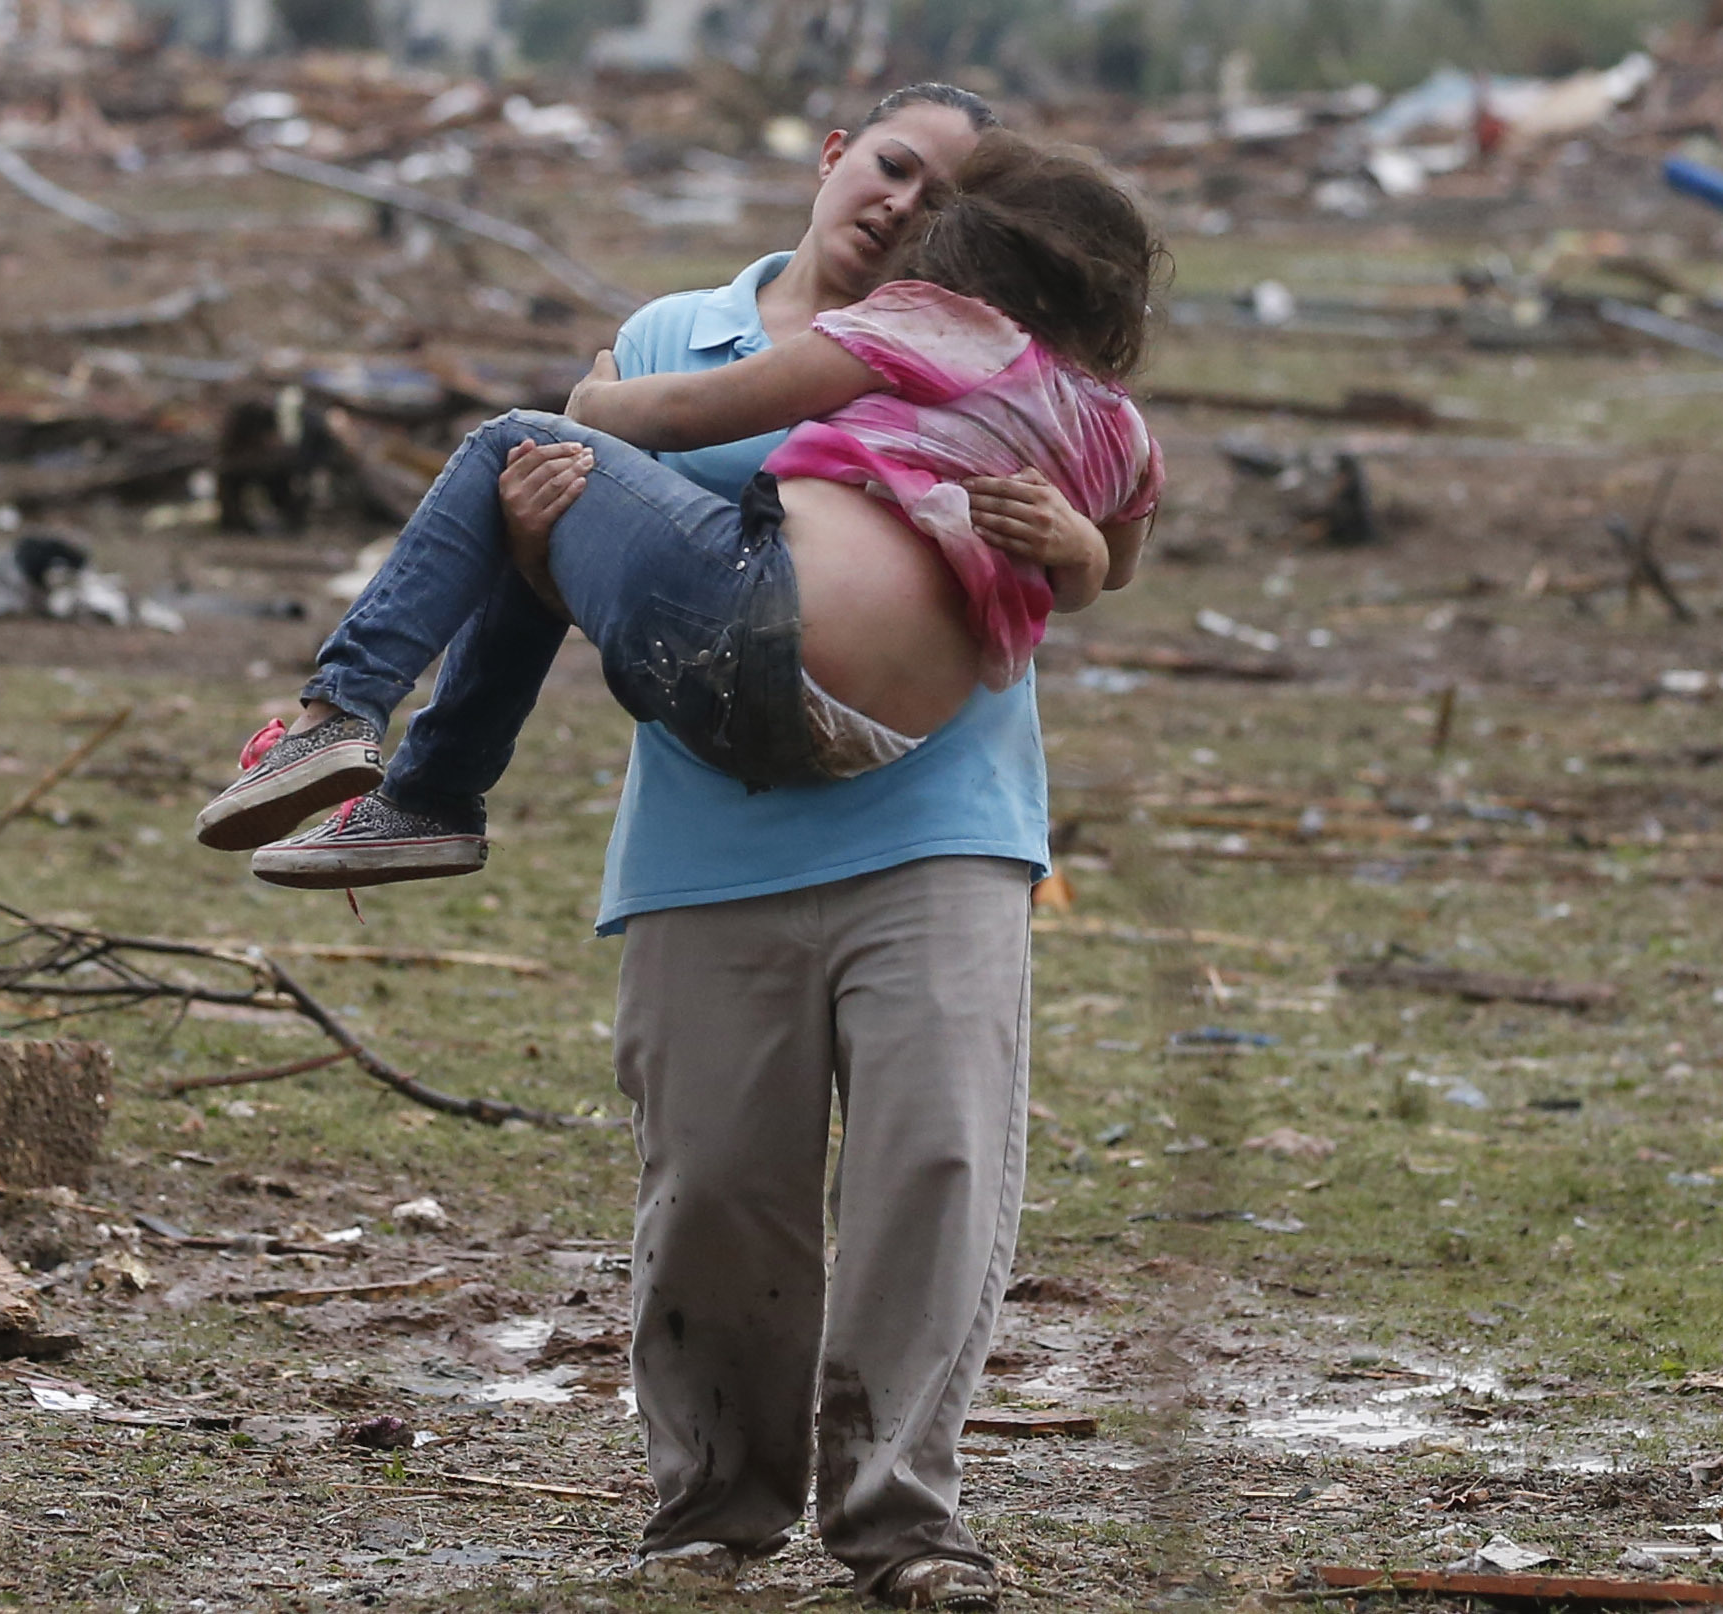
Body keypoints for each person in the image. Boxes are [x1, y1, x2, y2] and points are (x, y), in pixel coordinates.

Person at [244, 83, 1132, 1604]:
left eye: (950, 194)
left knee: (937, 1160)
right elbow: (595, 542)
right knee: (717, 1187)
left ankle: (904, 1518)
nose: (907, 203)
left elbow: (1108, 538)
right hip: (710, 840)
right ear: (832, 147)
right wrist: (534, 530)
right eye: (894, 163)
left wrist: (1081, 540)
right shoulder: (673, 338)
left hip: (944, 827)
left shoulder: (1012, 363)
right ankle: (717, 1507)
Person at [192, 127, 1161, 868]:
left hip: (760, 630)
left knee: (516, 451)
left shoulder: (931, 320)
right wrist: (1076, 546)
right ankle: (428, 796)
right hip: (864, 740)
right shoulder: (1121, 427)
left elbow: (697, 412)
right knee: (548, 494)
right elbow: (1113, 568)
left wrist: (591, 401)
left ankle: (343, 719)